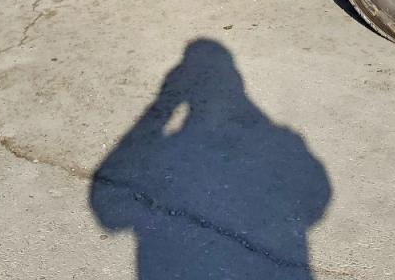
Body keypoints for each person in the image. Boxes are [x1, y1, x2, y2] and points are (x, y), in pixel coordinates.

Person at [90, 39, 331, 279]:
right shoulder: (283, 142)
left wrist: (163, 104)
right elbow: (318, 197)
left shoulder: (168, 151)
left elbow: (109, 212)